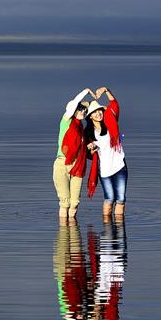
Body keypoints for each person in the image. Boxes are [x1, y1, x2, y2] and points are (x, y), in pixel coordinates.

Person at [85, 87, 128, 220]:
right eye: (94, 112)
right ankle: (107, 231)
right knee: (109, 199)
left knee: (120, 199)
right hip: (104, 170)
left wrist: (105, 90)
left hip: (120, 166)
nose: (98, 113)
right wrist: (91, 149)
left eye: (99, 110)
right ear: (90, 116)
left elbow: (114, 104)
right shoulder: (88, 133)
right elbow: (89, 154)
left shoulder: (110, 120)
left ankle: (119, 232)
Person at [53, 87, 94, 220]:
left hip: (77, 165)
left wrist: (90, 146)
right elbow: (74, 104)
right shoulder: (66, 121)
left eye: (84, 110)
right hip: (62, 163)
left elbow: (81, 147)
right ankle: (64, 236)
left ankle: (74, 237)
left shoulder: (81, 128)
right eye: (80, 108)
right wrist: (86, 91)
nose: (83, 111)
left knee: (74, 203)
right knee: (65, 203)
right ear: (73, 110)